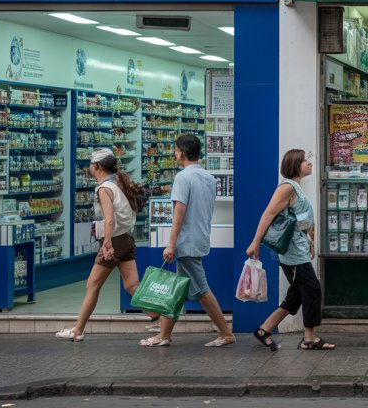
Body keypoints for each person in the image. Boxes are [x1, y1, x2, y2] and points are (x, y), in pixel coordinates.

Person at [139, 134, 235, 348]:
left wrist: (171, 244)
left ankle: (226, 332)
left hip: (187, 242)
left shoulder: (183, 177)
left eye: (175, 150)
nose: (174, 154)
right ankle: (164, 335)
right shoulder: (208, 177)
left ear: (181, 153)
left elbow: (179, 212)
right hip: (200, 237)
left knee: (202, 289)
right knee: (177, 291)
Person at [246, 149, 335, 351]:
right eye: (304, 161)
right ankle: (309, 338)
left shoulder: (296, 187)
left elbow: (301, 219)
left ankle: (264, 329)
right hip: (292, 253)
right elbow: (268, 214)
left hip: (299, 248)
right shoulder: (286, 187)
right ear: (295, 165)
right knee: (312, 289)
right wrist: (255, 242)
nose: (309, 163)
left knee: (296, 295)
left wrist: (311, 241)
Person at [56, 149, 146, 341]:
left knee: (93, 285)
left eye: (91, 164)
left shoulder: (104, 188)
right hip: (126, 239)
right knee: (132, 286)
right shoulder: (118, 183)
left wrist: (107, 244)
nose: (89, 167)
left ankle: (77, 330)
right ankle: (161, 317)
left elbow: (109, 220)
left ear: (97, 167)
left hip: (114, 241)